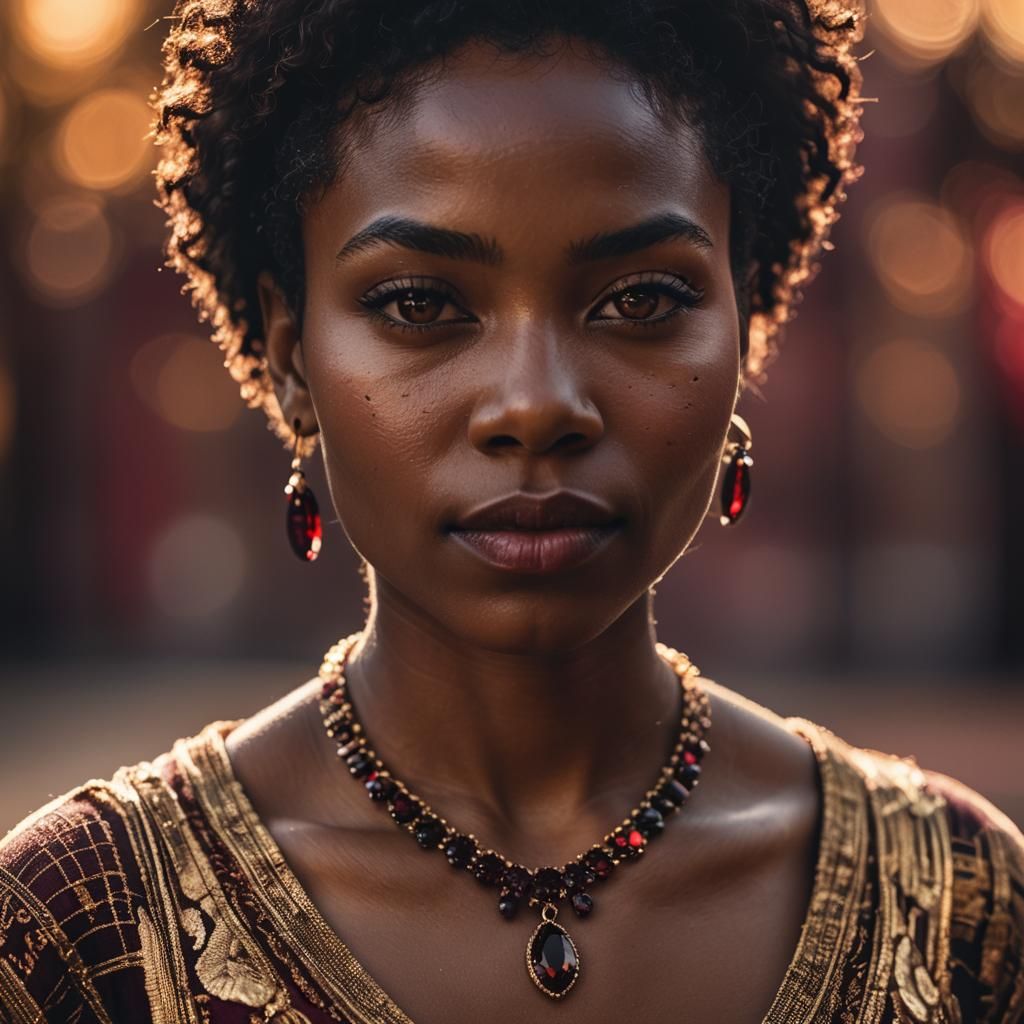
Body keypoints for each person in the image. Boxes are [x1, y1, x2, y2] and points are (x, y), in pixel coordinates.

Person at [2, 0, 1022, 1021]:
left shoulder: (961, 910)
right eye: (418, 303)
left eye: (639, 300)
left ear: (748, 322)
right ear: (286, 354)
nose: (536, 405)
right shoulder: (78, 937)